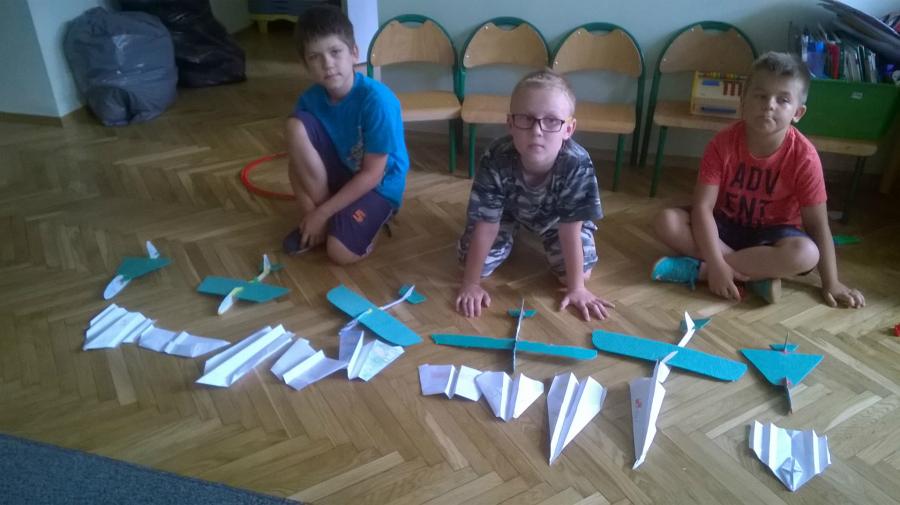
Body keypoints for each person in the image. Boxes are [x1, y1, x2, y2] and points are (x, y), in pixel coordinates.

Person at [651, 51, 865, 308]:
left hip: (773, 237)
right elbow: (703, 208)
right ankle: (754, 277)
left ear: (798, 112)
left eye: (783, 99)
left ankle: (702, 271)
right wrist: (717, 261)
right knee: (667, 221)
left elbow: (817, 225)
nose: (769, 105)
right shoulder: (721, 144)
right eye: (761, 96)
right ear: (743, 100)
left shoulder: (804, 157)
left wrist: (832, 282)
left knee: (807, 253)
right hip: (724, 227)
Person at [455, 70, 613, 321]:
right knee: (473, 264)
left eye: (551, 120)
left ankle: (548, 250)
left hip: (557, 220)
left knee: (579, 274)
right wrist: (470, 283)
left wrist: (577, 289)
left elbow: (570, 230)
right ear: (510, 123)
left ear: (568, 129)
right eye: (526, 118)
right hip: (507, 215)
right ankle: (513, 234)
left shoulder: (577, 163)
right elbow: (486, 225)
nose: (537, 130)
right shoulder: (496, 156)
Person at [282, 6, 408, 264]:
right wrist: (312, 213)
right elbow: (297, 165)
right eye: (315, 57)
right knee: (294, 130)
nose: (327, 64)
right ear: (305, 64)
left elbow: (373, 174)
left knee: (340, 253)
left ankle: (356, 220)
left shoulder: (378, 101)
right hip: (343, 172)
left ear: (354, 53)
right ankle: (326, 222)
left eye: (335, 52)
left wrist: (321, 214)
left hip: (379, 184)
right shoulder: (310, 99)